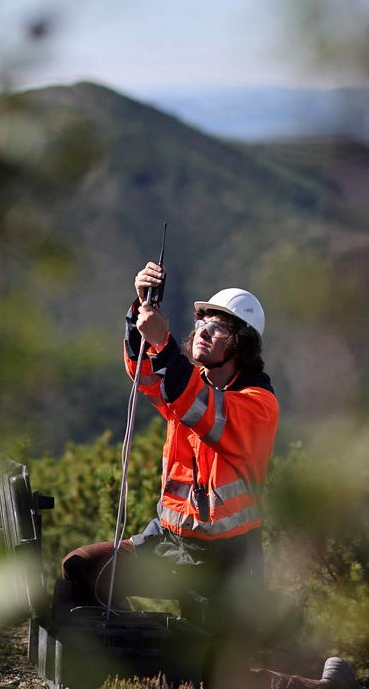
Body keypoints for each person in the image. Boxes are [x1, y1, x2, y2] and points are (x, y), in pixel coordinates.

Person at [60, 261, 279, 684]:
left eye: (220, 329)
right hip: (166, 543)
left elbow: (204, 412)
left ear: (242, 346)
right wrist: (139, 312)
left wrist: (164, 345)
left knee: (215, 678)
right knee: (81, 568)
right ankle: (125, 665)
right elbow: (147, 374)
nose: (204, 332)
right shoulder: (191, 383)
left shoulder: (257, 404)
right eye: (203, 323)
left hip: (223, 566)